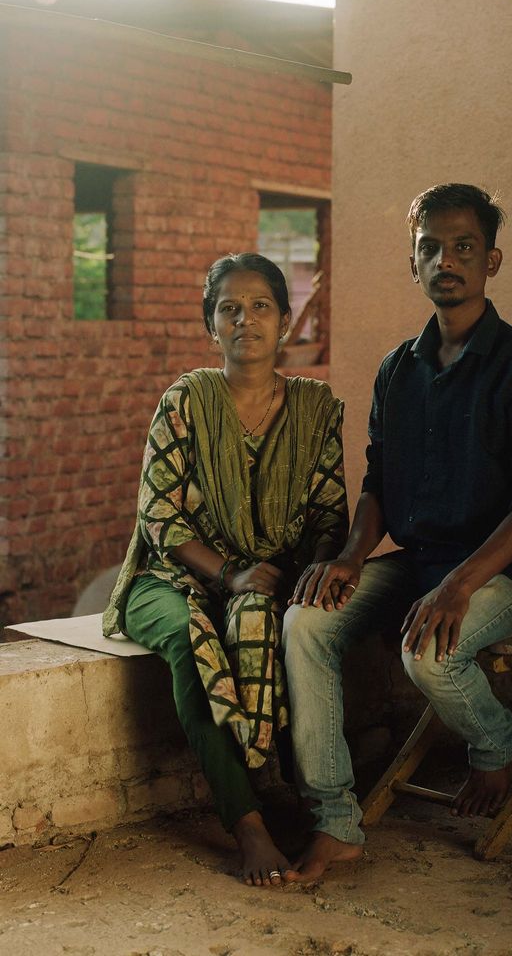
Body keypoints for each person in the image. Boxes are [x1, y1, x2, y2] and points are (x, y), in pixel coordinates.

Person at [282, 183, 512, 882]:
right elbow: (379, 481)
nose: (447, 260)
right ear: (414, 262)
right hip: (417, 563)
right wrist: (354, 554)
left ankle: (498, 740)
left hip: (505, 574)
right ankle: (336, 822)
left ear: (491, 260)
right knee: (304, 622)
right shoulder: (396, 370)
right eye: (430, 248)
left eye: (463, 246)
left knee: (430, 652)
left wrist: (458, 584)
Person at [103, 253, 347, 887]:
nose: (246, 320)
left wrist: (298, 580)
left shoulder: (316, 409)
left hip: (268, 580)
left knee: (285, 624)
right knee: (194, 641)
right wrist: (231, 575)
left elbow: (329, 517)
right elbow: (160, 516)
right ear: (212, 326)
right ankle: (249, 826)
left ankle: (292, 793)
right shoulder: (186, 399)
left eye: (261, 306)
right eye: (229, 309)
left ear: (286, 322)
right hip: (168, 578)